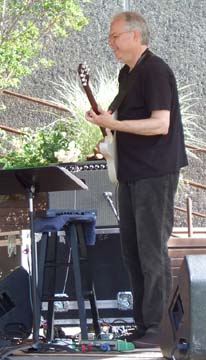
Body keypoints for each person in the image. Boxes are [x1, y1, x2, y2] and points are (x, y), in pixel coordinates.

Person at [85, 11, 188, 348]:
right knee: (131, 251)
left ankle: (159, 330)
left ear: (135, 35)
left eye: (115, 35)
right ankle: (144, 326)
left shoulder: (155, 70)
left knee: (151, 250)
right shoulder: (127, 74)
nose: (110, 42)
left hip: (154, 173)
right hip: (130, 172)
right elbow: (121, 122)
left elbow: (160, 124)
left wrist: (113, 125)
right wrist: (105, 124)